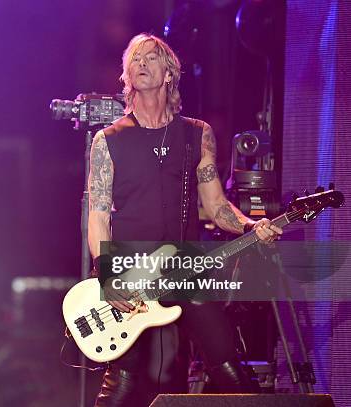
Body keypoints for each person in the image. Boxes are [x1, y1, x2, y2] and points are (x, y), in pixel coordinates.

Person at [87, 34, 283, 406]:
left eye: (151, 57)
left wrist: (249, 225)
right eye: (135, 59)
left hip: (183, 269)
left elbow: (216, 205)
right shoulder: (108, 140)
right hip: (129, 273)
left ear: (169, 73)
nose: (141, 63)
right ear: (127, 74)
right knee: (122, 382)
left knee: (232, 371)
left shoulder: (197, 134)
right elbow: (98, 217)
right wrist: (106, 272)